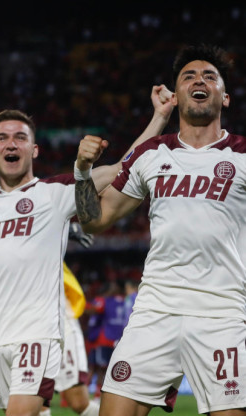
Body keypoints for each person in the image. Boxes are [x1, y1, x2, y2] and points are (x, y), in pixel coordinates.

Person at [73, 43, 246, 416]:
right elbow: (95, 219)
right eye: (189, 76)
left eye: (209, 77)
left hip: (222, 312)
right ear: (176, 94)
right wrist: (83, 172)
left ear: (225, 97)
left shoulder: (243, 154)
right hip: (155, 311)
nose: (199, 80)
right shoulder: (151, 153)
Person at [0, 82, 173, 416]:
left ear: (35, 150)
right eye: (2, 137)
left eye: (20, 138)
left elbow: (123, 167)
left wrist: (159, 117)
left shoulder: (53, 192)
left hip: (36, 334)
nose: (10, 143)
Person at [41, 263, 99, 416]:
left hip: (60, 321)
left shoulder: (48, 243)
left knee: (79, 402)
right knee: (33, 401)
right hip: (27, 323)